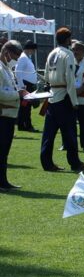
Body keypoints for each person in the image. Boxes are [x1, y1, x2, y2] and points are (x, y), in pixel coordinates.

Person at [40, 27, 84, 172]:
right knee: (69, 132)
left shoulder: (52, 53)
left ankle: (46, 162)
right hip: (64, 96)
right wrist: (74, 101)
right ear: (68, 39)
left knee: (49, 133)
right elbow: (70, 78)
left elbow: (45, 76)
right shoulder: (68, 54)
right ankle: (75, 163)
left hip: (52, 95)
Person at [0, 40, 26, 191]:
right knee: (2, 150)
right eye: (15, 57)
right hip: (3, 115)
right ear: (6, 52)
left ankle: (3, 181)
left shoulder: (7, 69)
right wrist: (18, 94)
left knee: (4, 151)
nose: (16, 60)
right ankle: (2, 182)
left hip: (9, 114)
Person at [15, 40, 38, 132]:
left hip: (27, 85)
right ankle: (27, 125)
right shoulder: (23, 58)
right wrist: (21, 87)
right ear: (29, 49)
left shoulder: (27, 58)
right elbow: (17, 72)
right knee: (26, 107)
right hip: (25, 86)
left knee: (25, 106)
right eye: (33, 50)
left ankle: (22, 125)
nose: (34, 52)